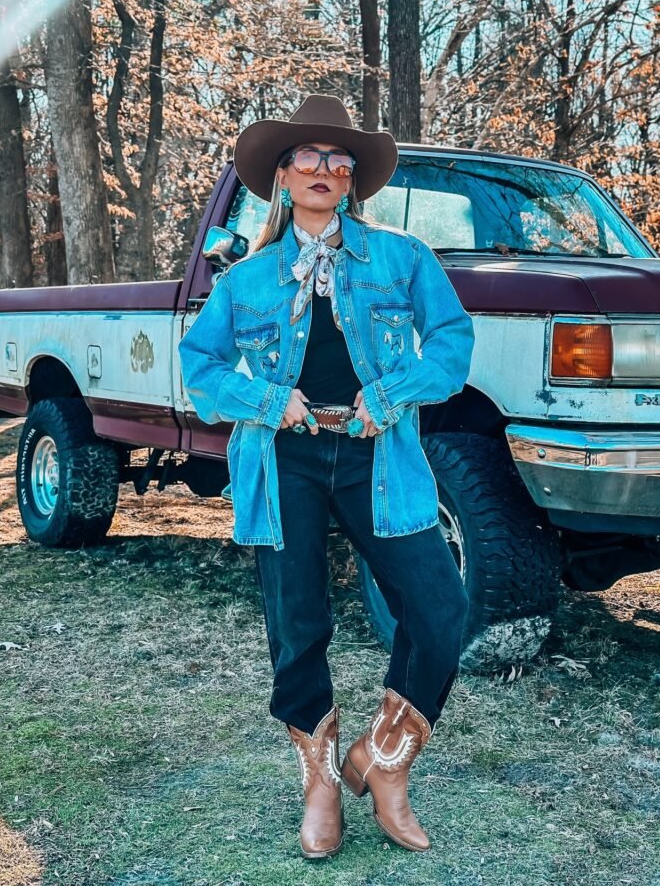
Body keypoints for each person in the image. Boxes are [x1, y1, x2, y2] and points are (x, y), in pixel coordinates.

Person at [178, 93, 475, 859]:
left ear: (351, 181)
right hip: (283, 459)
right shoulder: (247, 279)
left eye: (337, 160)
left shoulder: (403, 258)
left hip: (380, 453)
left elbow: (450, 343)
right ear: (281, 176)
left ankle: (384, 762)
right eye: (306, 157)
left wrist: (392, 393)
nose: (323, 168)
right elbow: (200, 367)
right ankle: (318, 784)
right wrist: (266, 400)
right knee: (298, 623)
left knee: (439, 606)